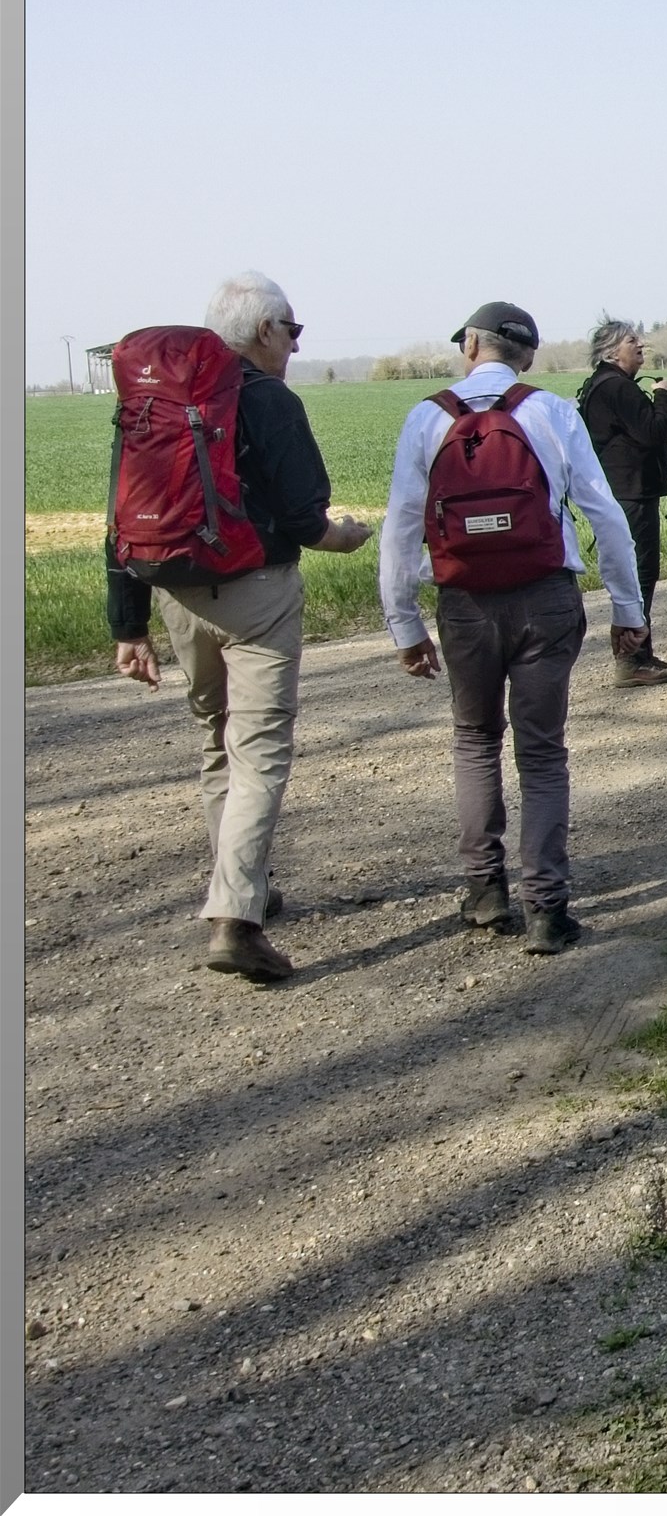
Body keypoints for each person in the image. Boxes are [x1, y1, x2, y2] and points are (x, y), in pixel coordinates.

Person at [109, 273, 374, 984]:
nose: (294, 343)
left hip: (173, 593)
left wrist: (126, 626)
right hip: (256, 592)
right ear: (265, 331)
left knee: (215, 741)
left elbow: (120, 517)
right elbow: (302, 517)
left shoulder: (151, 401)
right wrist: (344, 537)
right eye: (293, 330)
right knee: (258, 750)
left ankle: (243, 881)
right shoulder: (269, 399)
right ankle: (236, 921)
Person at [380, 302, 647, 955]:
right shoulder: (553, 412)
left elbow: (400, 527)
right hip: (545, 600)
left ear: (472, 346)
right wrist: (628, 611)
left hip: (464, 602)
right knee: (542, 750)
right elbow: (605, 515)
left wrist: (404, 623)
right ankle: (548, 910)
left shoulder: (427, 416)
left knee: (475, 740)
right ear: (525, 355)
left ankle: (484, 892)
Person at [575, 317, 667, 687]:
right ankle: (632, 660)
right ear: (611, 350)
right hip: (632, 491)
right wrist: (664, 396)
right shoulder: (617, 388)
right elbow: (653, 432)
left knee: (636, 572)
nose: (640, 344)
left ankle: (639, 654)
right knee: (640, 572)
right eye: (631, 340)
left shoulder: (600, 385)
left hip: (619, 489)